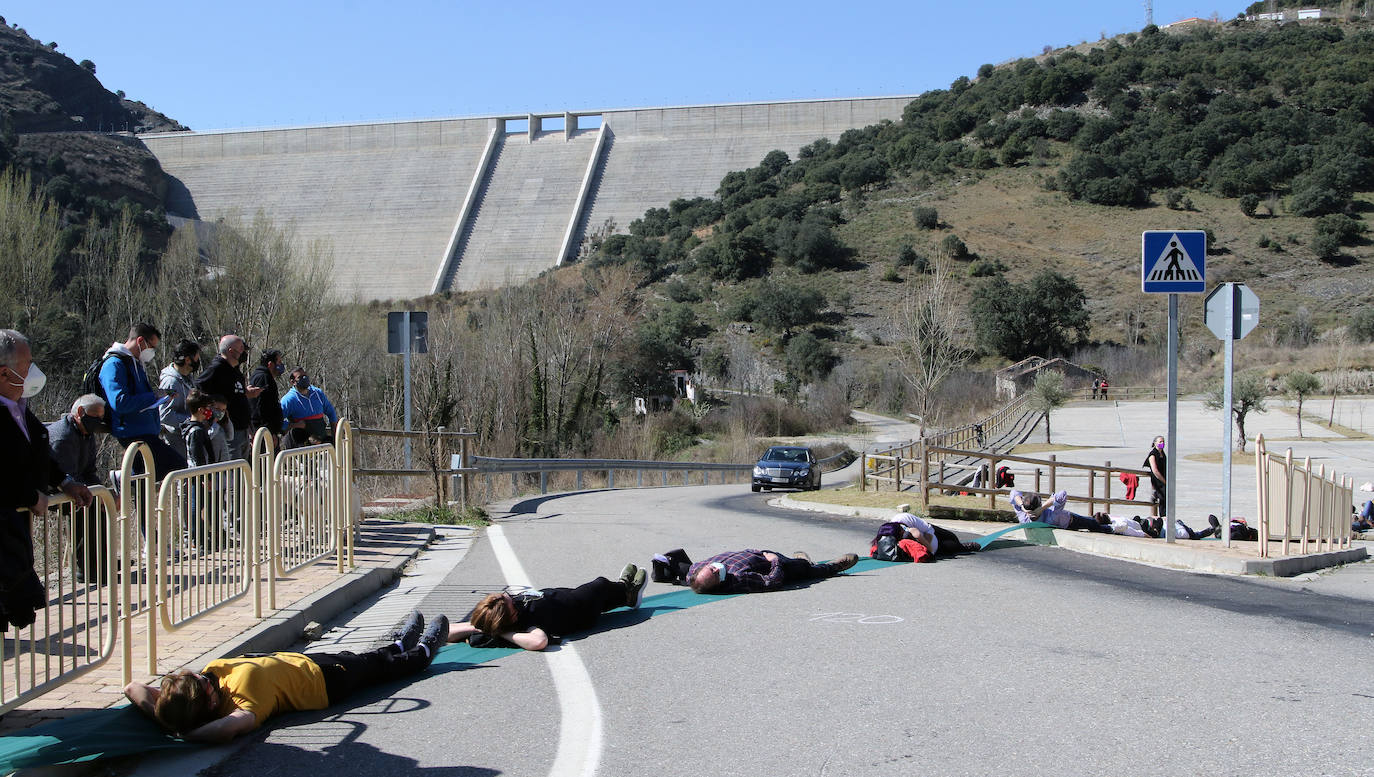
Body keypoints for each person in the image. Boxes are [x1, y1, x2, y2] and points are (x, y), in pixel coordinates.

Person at [124, 610, 447, 743]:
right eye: (205, 684)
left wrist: (163, 717)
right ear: (206, 705)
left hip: (302, 663)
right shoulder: (241, 705)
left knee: (366, 657)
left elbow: (132, 687)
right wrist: (190, 734)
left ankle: (399, 643)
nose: (205, 676)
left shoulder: (206, 686)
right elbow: (233, 725)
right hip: (323, 682)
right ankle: (422, 654)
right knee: (378, 668)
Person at [0, 330, 93, 629]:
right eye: (27, 365)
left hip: (13, 540)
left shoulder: (21, 410)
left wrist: (64, 481)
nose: (33, 372)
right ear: (4, 372)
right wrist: (29, 496)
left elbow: (37, 455)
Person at [447, 564, 648, 651]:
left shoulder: (494, 616)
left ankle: (624, 590)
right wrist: (503, 633)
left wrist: (477, 627)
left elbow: (446, 631)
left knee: (604, 596)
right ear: (513, 617)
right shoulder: (525, 625)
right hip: (580, 608)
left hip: (561, 597)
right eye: (510, 602)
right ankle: (627, 591)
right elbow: (539, 641)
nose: (511, 597)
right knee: (601, 586)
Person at [101, 323, 187, 478]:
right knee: (176, 465)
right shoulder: (114, 364)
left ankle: (128, 479)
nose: (152, 352)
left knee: (146, 477)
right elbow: (119, 402)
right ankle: (123, 479)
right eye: (151, 346)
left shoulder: (136, 364)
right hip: (132, 432)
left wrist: (160, 396)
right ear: (140, 341)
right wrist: (153, 397)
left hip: (146, 431)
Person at [46, 395, 109, 583]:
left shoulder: (86, 434)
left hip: (74, 484)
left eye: (101, 418)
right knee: (88, 505)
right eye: (95, 416)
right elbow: (65, 477)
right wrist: (94, 493)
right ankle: (87, 568)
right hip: (53, 489)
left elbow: (89, 471)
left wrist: (102, 491)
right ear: (80, 413)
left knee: (100, 502)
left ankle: (100, 564)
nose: (99, 422)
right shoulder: (63, 437)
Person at [196, 335, 261, 461]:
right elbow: (198, 389)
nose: (244, 352)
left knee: (243, 471)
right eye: (241, 348)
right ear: (231, 350)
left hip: (243, 429)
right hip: (228, 429)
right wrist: (214, 410)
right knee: (232, 474)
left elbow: (237, 395)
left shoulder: (236, 372)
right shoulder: (217, 368)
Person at [687, 549, 859, 594]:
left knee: (799, 563)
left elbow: (688, 572)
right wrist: (774, 561)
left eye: (711, 569)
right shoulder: (738, 579)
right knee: (807, 570)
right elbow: (771, 582)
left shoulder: (694, 572)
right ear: (719, 584)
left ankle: (801, 560)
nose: (717, 569)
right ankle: (833, 566)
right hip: (773, 563)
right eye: (716, 574)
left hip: (758, 552)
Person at [158, 339, 202, 461]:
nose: (198, 362)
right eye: (196, 358)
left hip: (187, 436)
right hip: (175, 439)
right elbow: (164, 414)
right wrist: (189, 420)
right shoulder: (170, 382)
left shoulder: (189, 378)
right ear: (188, 360)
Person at [892, 505, 980, 559]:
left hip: (929, 531)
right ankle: (965, 547)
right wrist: (929, 550)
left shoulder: (906, 518)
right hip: (933, 548)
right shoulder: (894, 539)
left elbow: (928, 529)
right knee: (952, 546)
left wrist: (923, 539)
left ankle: (959, 545)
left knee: (952, 537)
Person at [280, 367, 338, 447]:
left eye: (305, 375)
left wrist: (335, 435)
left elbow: (331, 412)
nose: (304, 378)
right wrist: (294, 425)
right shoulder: (289, 400)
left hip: (321, 443)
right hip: (301, 447)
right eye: (300, 377)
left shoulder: (318, 394)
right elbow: (277, 421)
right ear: (293, 381)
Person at [1008, 489, 1111, 533]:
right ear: (1039, 505)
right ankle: (1110, 527)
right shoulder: (1050, 515)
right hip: (1072, 520)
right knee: (1094, 524)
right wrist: (1043, 508)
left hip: (1066, 521)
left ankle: (1101, 519)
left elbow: (1013, 493)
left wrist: (1022, 507)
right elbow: (1062, 494)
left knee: (1093, 521)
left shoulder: (1023, 516)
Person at [248, 349, 286, 448]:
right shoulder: (263, 378)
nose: (281, 365)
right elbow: (261, 407)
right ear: (270, 364)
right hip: (264, 434)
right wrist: (270, 431)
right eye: (279, 362)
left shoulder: (267, 377)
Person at [1144, 435, 1166, 514]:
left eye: (1163, 442)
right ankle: (1163, 517)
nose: (1162, 443)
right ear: (1155, 443)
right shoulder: (1153, 454)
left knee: (1166, 498)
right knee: (1163, 496)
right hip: (1158, 479)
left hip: (1164, 478)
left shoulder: (1163, 454)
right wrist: (1164, 481)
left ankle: (1165, 516)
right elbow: (1155, 470)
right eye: (1160, 442)